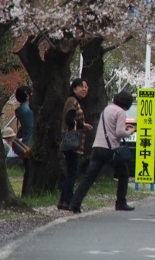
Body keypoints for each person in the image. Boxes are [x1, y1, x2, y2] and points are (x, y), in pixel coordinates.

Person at [69, 91, 136, 213]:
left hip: (97, 147)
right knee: (124, 174)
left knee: (89, 177)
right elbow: (119, 133)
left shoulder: (107, 109)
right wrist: (130, 131)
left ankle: (75, 203)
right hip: (110, 149)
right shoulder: (120, 112)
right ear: (126, 104)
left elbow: (110, 128)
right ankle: (121, 202)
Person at [57, 78, 94, 211]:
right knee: (73, 172)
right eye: (82, 87)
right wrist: (83, 125)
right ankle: (67, 200)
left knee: (72, 171)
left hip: (73, 141)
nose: (85, 89)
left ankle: (63, 200)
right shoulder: (72, 101)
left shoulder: (74, 101)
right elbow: (68, 120)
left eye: (86, 87)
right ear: (74, 88)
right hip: (72, 141)